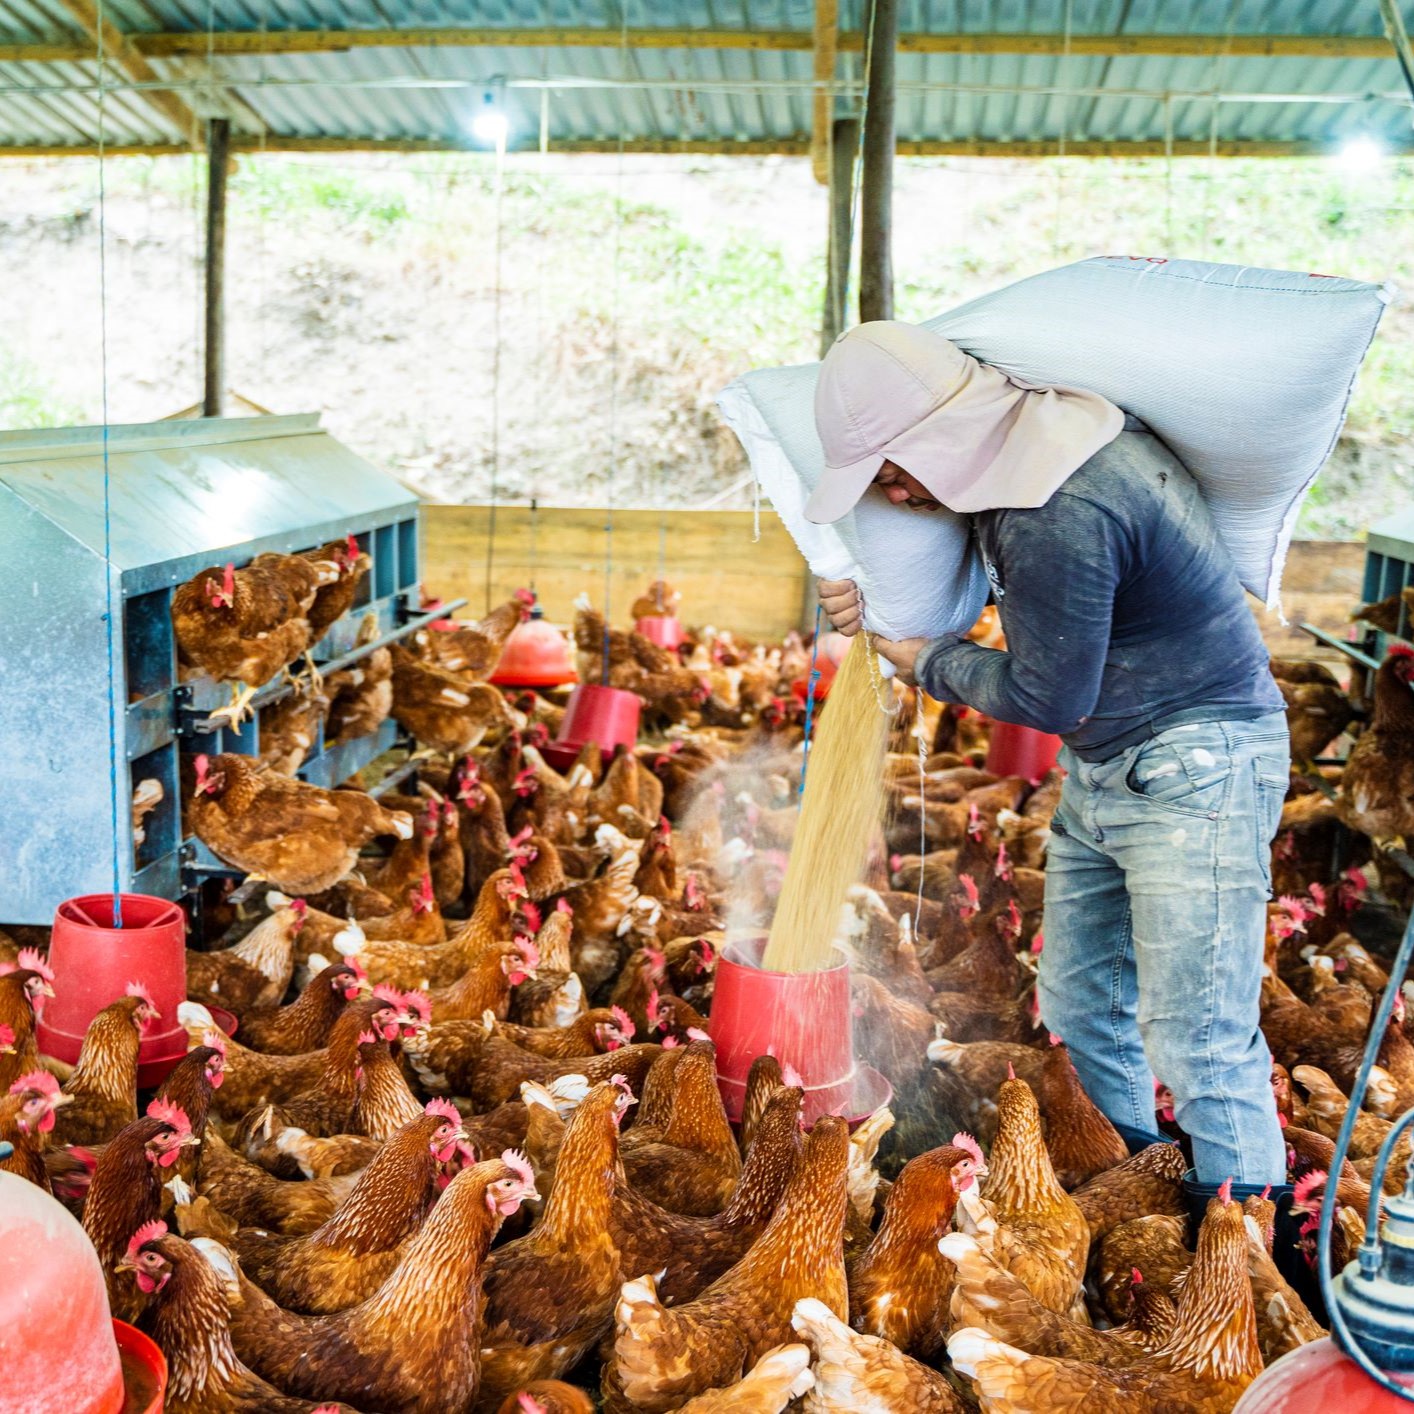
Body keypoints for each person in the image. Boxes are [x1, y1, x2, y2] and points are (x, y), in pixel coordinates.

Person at [809, 320, 1289, 1195]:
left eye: (891, 473)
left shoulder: (1054, 507)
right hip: (1117, 761)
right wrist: (872, 588)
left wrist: (925, 660)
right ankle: (1134, 1190)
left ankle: (1252, 1253)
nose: (894, 497)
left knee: (1199, 1034)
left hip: (1196, 764)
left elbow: (1046, 696)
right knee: (1083, 1007)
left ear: (939, 442)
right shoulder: (1044, 446)